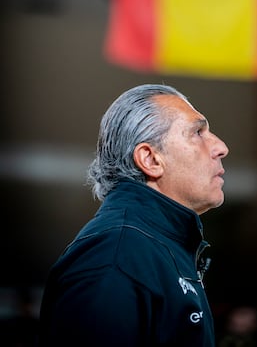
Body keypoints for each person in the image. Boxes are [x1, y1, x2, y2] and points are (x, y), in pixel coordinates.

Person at [39, 83, 229, 347]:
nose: (221, 146)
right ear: (150, 160)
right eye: (198, 132)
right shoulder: (115, 258)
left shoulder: (152, 249)